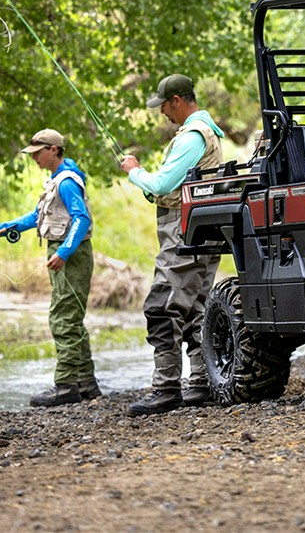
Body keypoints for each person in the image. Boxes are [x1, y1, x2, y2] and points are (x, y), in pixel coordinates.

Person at [120, 73, 224, 416]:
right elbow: (170, 185)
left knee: (161, 306)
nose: (162, 112)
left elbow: (165, 181)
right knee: (196, 307)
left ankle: (165, 388)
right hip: (199, 229)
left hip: (184, 233)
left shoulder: (192, 136)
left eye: (164, 105)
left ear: (177, 101)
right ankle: (200, 383)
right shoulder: (205, 132)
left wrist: (135, 171)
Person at [0, 129, 100, 407]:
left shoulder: (68, 182)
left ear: (54, 150)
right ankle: (86, 383)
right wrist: (3, 228)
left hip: (72, 257)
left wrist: (63, 252)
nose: (34, 157)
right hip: (66, 254)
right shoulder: (56, 180)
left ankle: (66, 386)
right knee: (70, 317)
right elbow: (37, 217)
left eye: (37, 153)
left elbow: (81, 219)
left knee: (63, 318)